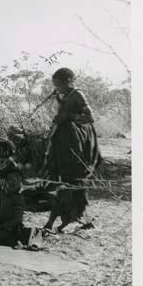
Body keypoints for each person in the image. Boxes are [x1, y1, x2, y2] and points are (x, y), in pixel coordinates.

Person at [42, 67, 101, 231]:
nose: (56, 88)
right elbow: (65, 110)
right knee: (64, 179)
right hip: (64, 141)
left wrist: (70, 117)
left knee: (73, 179)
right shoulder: (65, 95)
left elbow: (91, 118)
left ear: (68, 81)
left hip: (76, 142)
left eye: (58, 85)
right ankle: (67, 216)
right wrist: (60, 103)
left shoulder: (78, 94)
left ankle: (72, 215)